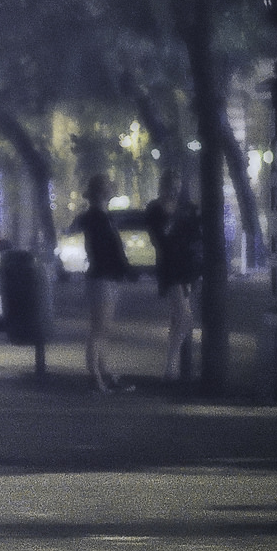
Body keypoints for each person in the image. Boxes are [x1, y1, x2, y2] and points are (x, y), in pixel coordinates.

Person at [74, 174, 133, 394]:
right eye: (107, 186)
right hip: (101, 276)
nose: (111, 189)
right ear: (100, 191)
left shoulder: (102, 216)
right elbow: (104, 249)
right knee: (99, 328)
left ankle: (104, 371)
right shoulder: (96, 217)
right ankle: (95, 375)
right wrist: (121, 265)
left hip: (107, 276)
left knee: (104, 329)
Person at [145, 169, 203, 382]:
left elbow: (194, 233)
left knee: (178, 317)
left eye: (178, 185)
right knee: (185, 317)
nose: (175, 190)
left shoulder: (185, 208)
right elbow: (159, 236)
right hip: (170, 266)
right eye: (172, 185)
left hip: (185, 265)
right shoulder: (155, 208)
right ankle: (171, 364)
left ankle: (173, 367)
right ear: (163, 186)